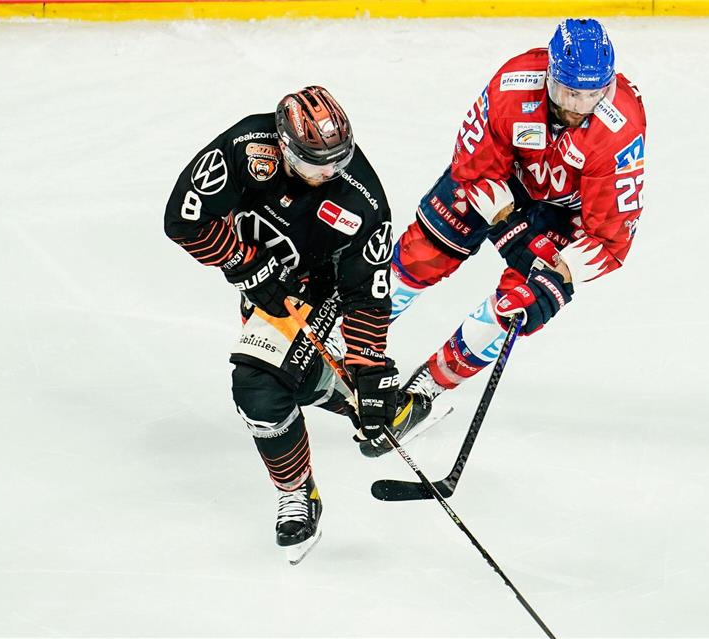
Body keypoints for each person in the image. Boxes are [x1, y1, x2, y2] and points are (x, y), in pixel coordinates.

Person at [379, 18, 648, 451]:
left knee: (520, 304)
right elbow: (474, 169)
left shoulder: (620, 131)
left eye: (592, 94)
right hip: (502, 184)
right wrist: (509, 228)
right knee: (426, 250)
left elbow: (609, 239)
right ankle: (355, 333)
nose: (579, 106)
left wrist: (560, 273)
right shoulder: (512, 86)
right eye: (568, 93)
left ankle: (426, 389)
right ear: (549, 76)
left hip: (565, 217)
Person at [164, 86, 401, 563]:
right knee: (278, 377)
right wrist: (241, 262)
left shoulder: (363, 200)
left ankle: (297, 492)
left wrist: (370, 367)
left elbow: (367, 290)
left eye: (338, 159)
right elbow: (182, 219)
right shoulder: (245, 149)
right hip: (262, 271)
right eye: (316, 162)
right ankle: (364, 405)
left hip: (321, 285)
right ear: (284, 146)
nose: (329, 172)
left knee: (258, 386)